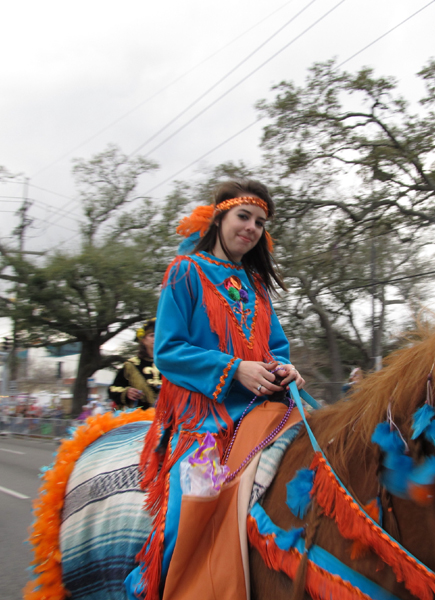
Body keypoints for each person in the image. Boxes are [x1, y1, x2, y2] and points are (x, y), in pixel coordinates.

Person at [126, 179, 306, 600]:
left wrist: (285, 369)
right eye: (244, 216)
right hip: (203, 418)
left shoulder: (257, 285)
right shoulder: (185, 271)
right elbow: (168, 351)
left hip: (264, 410)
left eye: (260, 222)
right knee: (182, 520)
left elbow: (275, 347)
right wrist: (234, 368)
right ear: (219, 217)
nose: (252, 228)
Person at [108, 318, 160, 409]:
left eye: (159, 335)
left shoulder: (171, 363)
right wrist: (127, 392)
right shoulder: (131, 365)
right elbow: (113, 389)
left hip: (169, 417)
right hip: (140, 419)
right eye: (152, 335)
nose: (155, 338)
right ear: (143, 340)